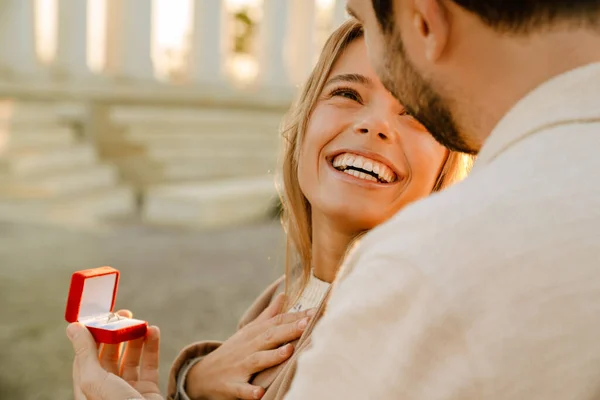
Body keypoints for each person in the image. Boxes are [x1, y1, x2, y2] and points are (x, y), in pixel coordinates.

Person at [65, 19, 472, 400]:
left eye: (416, 112)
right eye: (347, 94)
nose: (374, 124)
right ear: (305, 121)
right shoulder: (284, 294)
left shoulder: (411, 328)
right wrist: (195, 382)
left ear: (446, 163)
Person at [282, 0, 600, 399]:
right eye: (347, 93)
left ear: (423, 17)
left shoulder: (426, 266)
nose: (375, 126)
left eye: (364, 19)